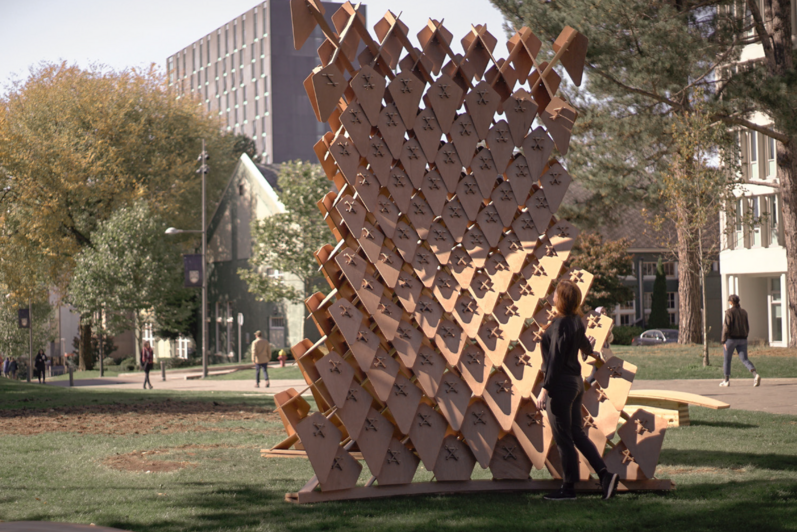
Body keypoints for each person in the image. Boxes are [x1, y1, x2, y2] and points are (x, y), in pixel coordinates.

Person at [537, 280, 619, 501]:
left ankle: (568, 489)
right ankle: (605, 476)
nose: (552, 297)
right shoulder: (575, 322)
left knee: (563, 438)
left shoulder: (560, 325)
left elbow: (554, 362)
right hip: (575, 383)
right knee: (576, 434)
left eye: (555, 294)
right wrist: (587, 349)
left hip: (561, 387)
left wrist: (544, 390)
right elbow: (586, 346)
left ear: (561, 299)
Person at [720, 294, 760, 387]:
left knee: (727, 360)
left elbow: (726, 327)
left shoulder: (729, 312)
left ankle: (726, 380)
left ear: (730, 302)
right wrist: (745, 335)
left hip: (731, 339)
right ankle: (755, 375)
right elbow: (747, 326)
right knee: (745, 359)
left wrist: (723, 340)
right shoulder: (744, 312)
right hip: (743, 339)